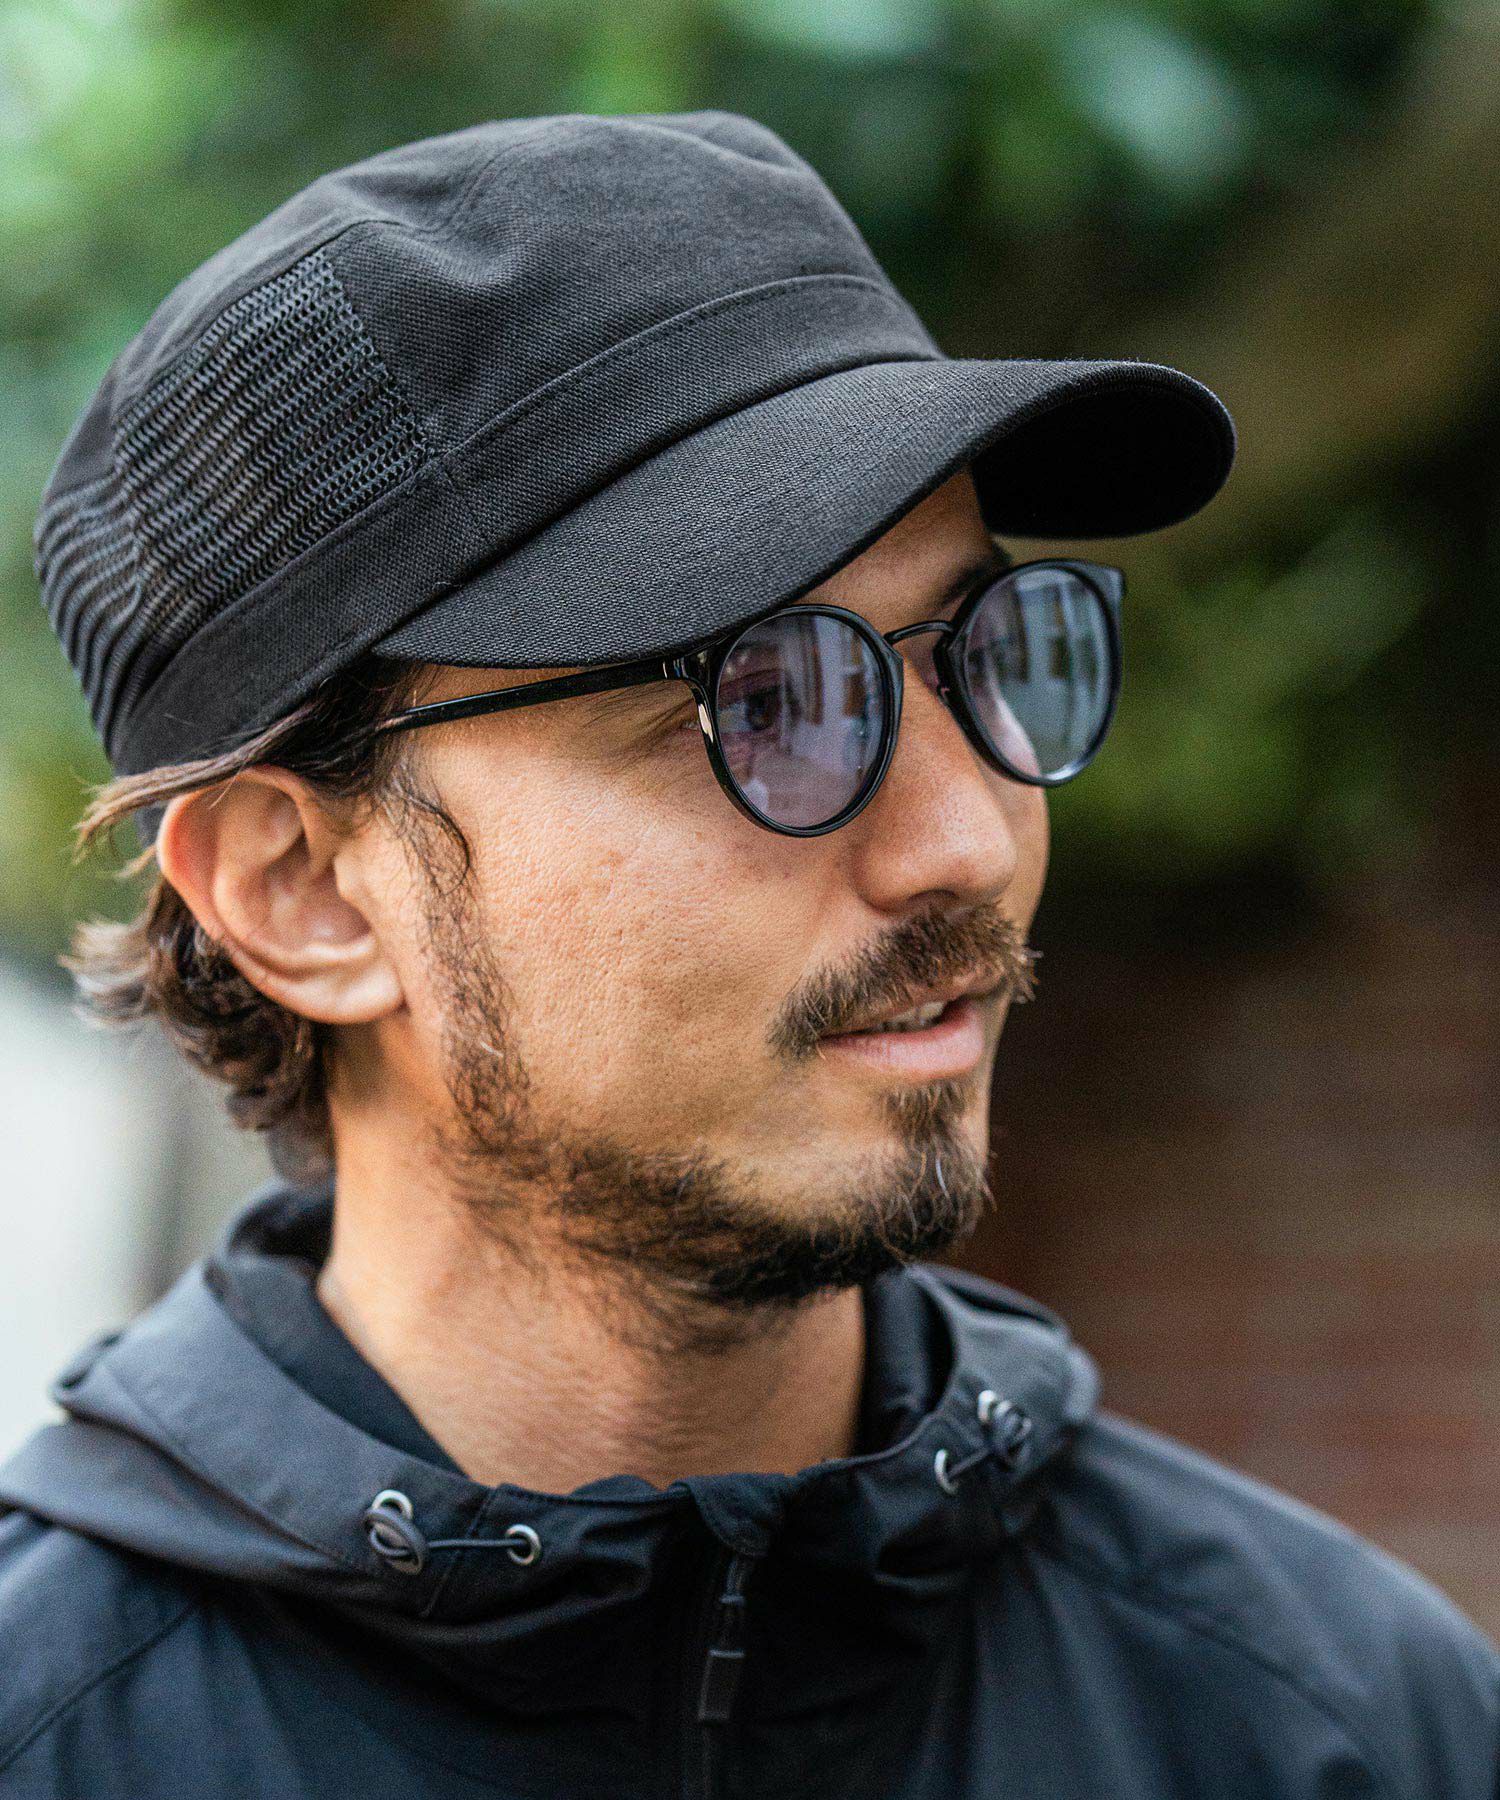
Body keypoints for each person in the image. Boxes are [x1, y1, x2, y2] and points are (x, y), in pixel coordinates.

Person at [1, 109, 1494, 1799]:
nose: (966, 839)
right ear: (303, 893)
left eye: (982, 649)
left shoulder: (1333, 1726)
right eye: (766, 700)